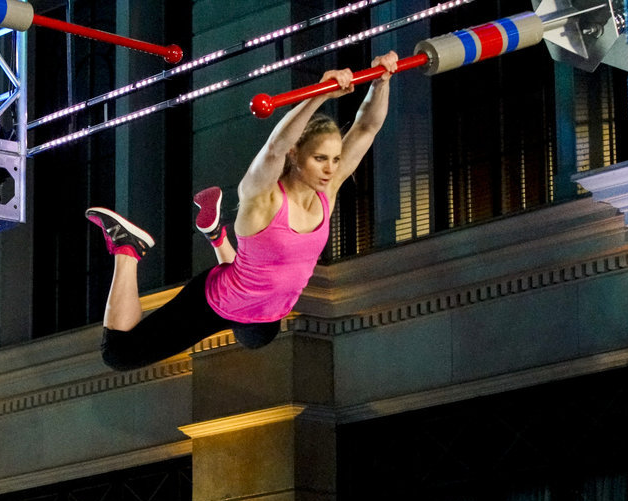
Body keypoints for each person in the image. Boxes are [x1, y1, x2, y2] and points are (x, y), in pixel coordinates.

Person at [87, 51, 399, 371]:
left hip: (265, 312)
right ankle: (129, 248)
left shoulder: (326, 192)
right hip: (217, 305)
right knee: (118, 354)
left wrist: (382, 81)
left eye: (332, 161)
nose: (329, 169)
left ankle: (215, 235)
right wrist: (319, 95)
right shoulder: (261, 199)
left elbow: (365, 128)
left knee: (257, 337)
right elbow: (276, 147)